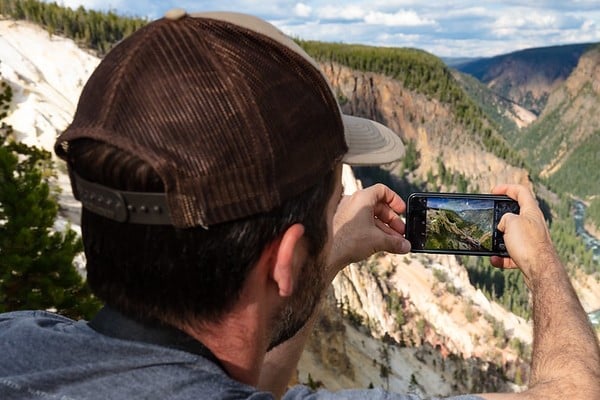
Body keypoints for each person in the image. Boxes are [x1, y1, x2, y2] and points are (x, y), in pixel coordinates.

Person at [0, 9, 598, 400]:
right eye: (331, 201)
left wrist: (326, 248)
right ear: (283, 260)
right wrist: (545, 266)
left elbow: (222, 379)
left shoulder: (18, 341)